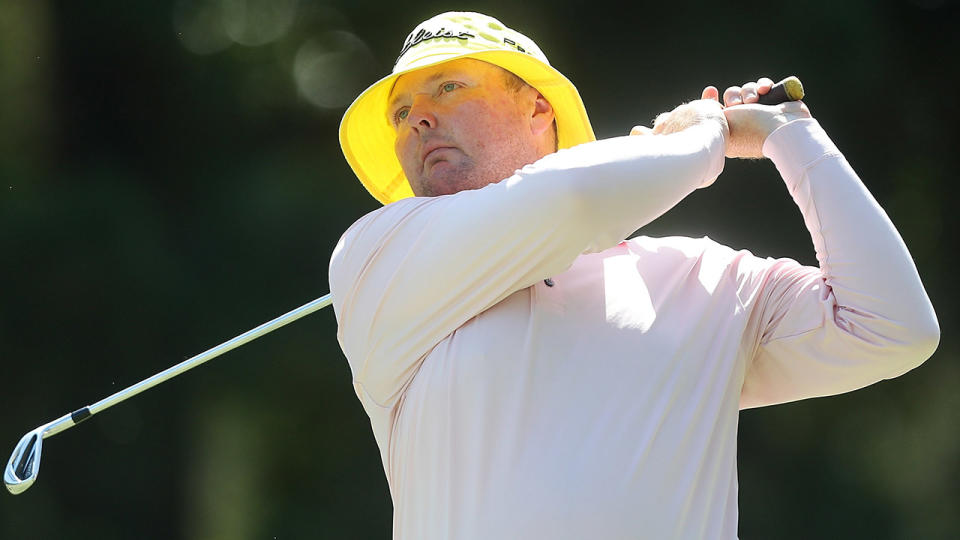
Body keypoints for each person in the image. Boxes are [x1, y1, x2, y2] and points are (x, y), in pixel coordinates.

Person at [329, 11, 939, 540]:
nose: (417, 120)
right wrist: (708, 136)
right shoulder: (376, 257)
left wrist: (792, 137)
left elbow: (892, 326)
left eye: (448, 87)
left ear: (537, 106)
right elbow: (572, 203)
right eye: (403, 111)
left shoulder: (701, 277)